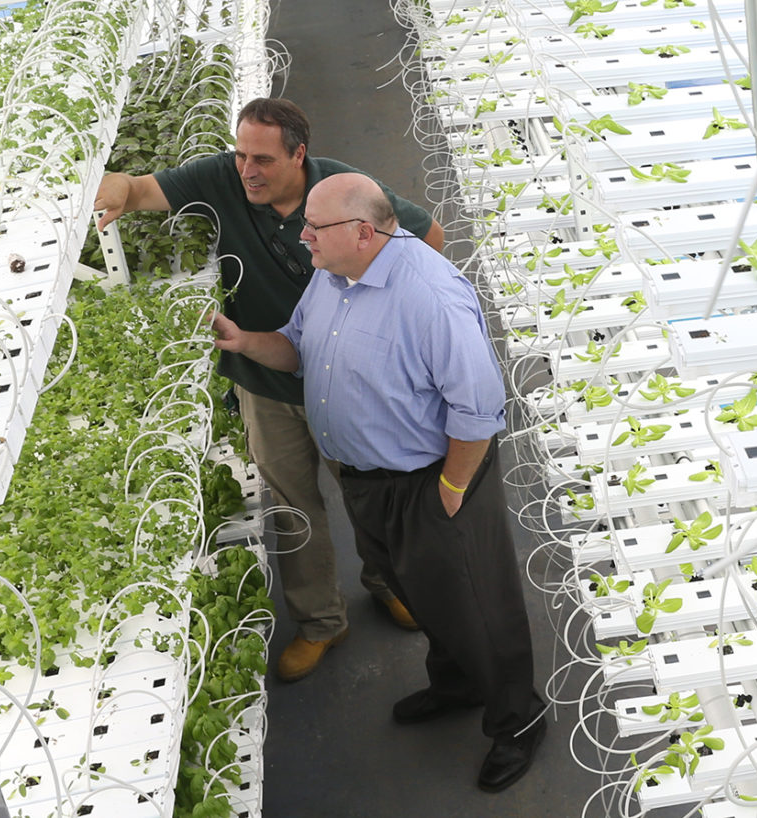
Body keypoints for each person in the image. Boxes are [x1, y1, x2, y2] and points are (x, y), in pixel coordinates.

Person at [209, 172, 544, 793]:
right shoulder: (334, 276)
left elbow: (479, 408)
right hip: (369, 483)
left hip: (430, 481)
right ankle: (457, 684)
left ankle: (518, 721)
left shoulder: (430, 295)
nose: (301, 234)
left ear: (363, 232)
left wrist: (450, 491)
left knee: (476, 604)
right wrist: (245, 342)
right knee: (421, 592)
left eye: (315, 226)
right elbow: (299, 347)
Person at [95, 98, 445, 683]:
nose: (247, 170)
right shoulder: (223, 180)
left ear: (298, 155)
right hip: (264, 377)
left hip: (346, 380)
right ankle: (320, 624)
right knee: (290, 507)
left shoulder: (341, 191)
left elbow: (428, 235)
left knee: (368, 489)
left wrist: (382, 316)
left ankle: (389, 584)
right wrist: (105, 186)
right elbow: (138, 191)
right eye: (240, 155)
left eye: (262, 158)